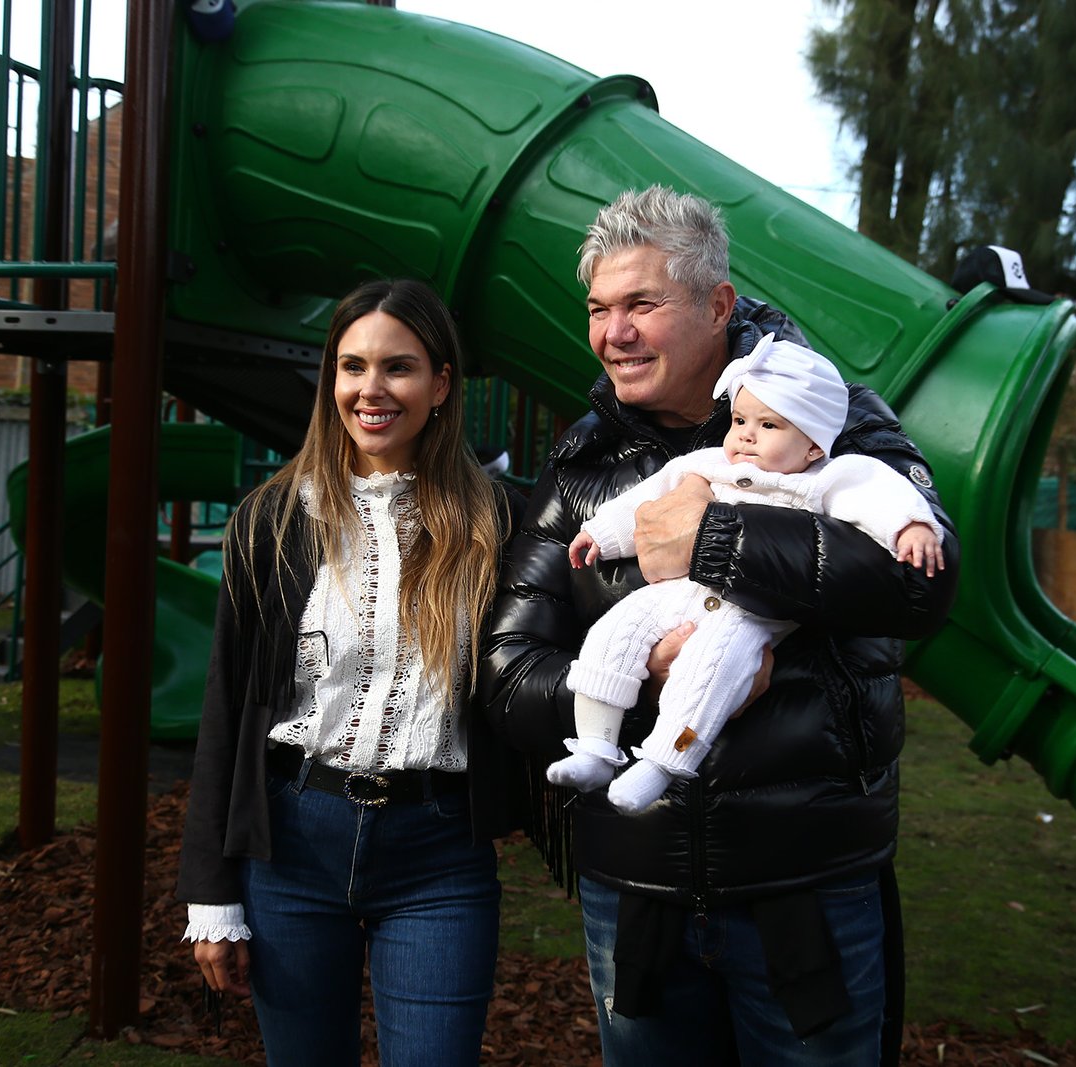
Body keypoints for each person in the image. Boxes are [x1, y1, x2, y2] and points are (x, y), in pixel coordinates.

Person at [478, 185, 960, 1065]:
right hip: (636, 886)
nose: (613, 333)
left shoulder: (831, 421)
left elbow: (922, 583)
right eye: (598, 309)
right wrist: (649, 670)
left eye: (641, 305)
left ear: (718, 306)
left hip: (804, 881)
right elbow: (510, 670)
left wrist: (715, 538)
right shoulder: (583, 466)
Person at [176, 278, 526, 1067]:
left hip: (438, 851)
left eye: (398, 368)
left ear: (441, 384)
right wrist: (211, 892)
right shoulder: (270, 520)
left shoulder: (498, 523)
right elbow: (226, 708)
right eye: (352, 366)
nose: (371, 389)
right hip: (293, 842)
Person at [550, 332, 945, 814]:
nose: (746, 435)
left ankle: (660, 764)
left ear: (813, 447)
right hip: (680, 589)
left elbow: (877, 492)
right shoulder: (709, 463)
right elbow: (650, 498)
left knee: (710, 671)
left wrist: (910, 526)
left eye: (769, 425)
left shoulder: (826, 480)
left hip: (750, 612)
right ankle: (594, 744)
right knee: (616, 632)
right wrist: (602, 533)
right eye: (739, 420)